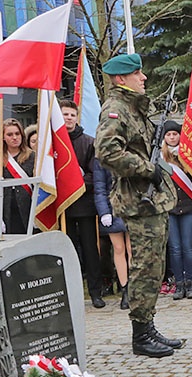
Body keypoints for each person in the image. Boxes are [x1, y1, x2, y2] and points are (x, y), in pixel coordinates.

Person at [94, 52, 183, 358]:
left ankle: (148, 324)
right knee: (145, 266)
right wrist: (147, 169)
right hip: (137, 200)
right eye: (137, 73)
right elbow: (107, 152)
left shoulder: (134, 107)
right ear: (121, 79)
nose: (143, 77)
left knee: (154, 265)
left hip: (150, 199)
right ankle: (140, 334)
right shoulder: (116, 109)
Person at [60, 99, 105, 308]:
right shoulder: (53, 143)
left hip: (85, 205)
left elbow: (94, 174)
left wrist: (75, 185)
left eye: (71, 115)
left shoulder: (89, 142)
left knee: (90, 250)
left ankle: (96, 292)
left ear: (76, 118)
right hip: (62, 208)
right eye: (64, 114)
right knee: (68, 252)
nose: (68, 118)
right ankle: (71, 293)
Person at [161, 121, 192, 299]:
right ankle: (178, 284)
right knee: (174, 248)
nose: (172, 137)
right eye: (168, 135)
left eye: (175, 134)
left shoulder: (189, 156)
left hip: (188, 207)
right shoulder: (160, 159)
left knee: (188, 247)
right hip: (170, 208)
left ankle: (190, 283)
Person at [0, 118, 34, 234]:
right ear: (3, 137)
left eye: (17, 134)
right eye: (10, 134)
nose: (14, 137)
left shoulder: (32, 157)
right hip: (4, 208)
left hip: (27, 207)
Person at [94, 164, 131, 310]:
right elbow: (100, 188)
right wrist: (103, 212)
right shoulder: (101, 157)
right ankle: (125, 289)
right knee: (118, 248)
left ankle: (134, 287)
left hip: (132, 206)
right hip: (112, 207)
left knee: (131, 247)